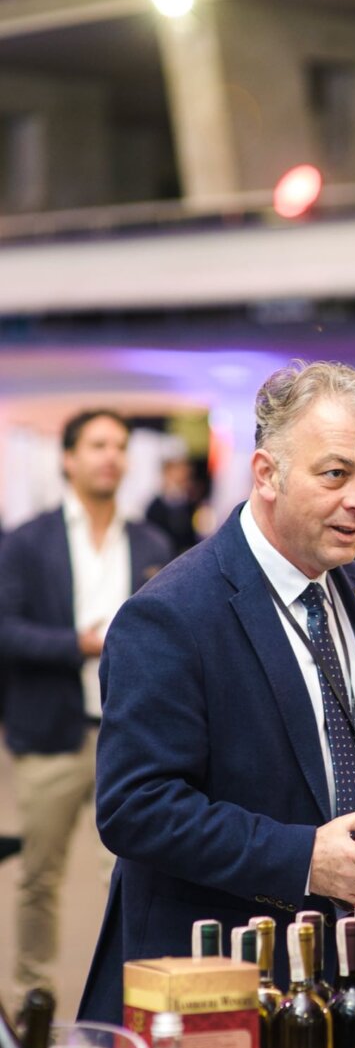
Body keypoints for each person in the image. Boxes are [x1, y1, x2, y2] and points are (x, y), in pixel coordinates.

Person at [79, 361, 355, 1023]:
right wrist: (304, 858)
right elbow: (135, 808)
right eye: (335, 474)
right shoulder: (172, 613)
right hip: (218, 979)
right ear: (266, 473)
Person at [0, 410, 172, 998]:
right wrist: (80, 644)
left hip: (132, 733)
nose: (111, 456)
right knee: (39, 877)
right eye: (98, 444)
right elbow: (6, 630)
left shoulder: (151, 542)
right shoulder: (28, 540)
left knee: (132, 875)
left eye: (120, 445)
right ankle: (34, 1001)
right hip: (52, 730)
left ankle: (134, 1000)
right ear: (68, 457)